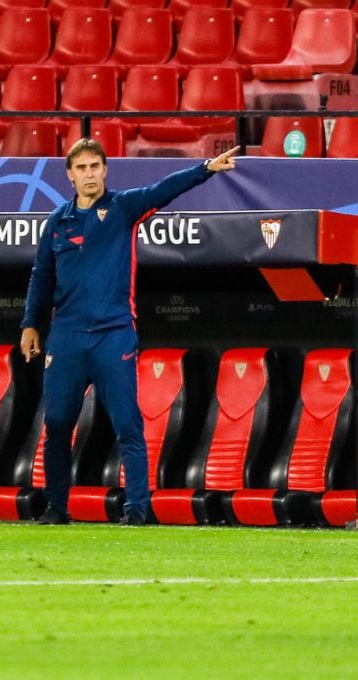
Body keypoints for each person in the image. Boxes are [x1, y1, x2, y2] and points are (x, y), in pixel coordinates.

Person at [20, 140, 240, 526]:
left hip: (114, 333)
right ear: (70, 175)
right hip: (67, 335)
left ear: (106, 170)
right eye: (82, 168)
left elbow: (163, 190)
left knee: (127, 424)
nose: (89, 174)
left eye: (95, 166)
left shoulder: (122, 208)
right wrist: (29, 324)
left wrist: (204, 168)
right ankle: (56, 508)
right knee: (56, 425)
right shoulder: (57, 221)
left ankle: (136, 510)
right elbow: (41, 276)